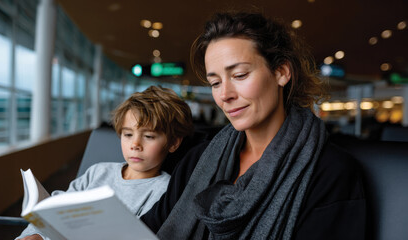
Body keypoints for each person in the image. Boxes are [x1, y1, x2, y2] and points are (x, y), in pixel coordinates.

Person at [141, 12, 366, 239]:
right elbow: (144, 230)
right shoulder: (197, 161)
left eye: (239, 75)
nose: (224, 95)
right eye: (215, 83)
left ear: (281, 72)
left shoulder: (331, 172)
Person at [16, 86, 194, 240]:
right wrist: (35, 234)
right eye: (128, 134)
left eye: (148, 136)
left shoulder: (164, 190)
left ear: (173, 143)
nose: (135, 145)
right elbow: (58, 206)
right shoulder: (98, 172)